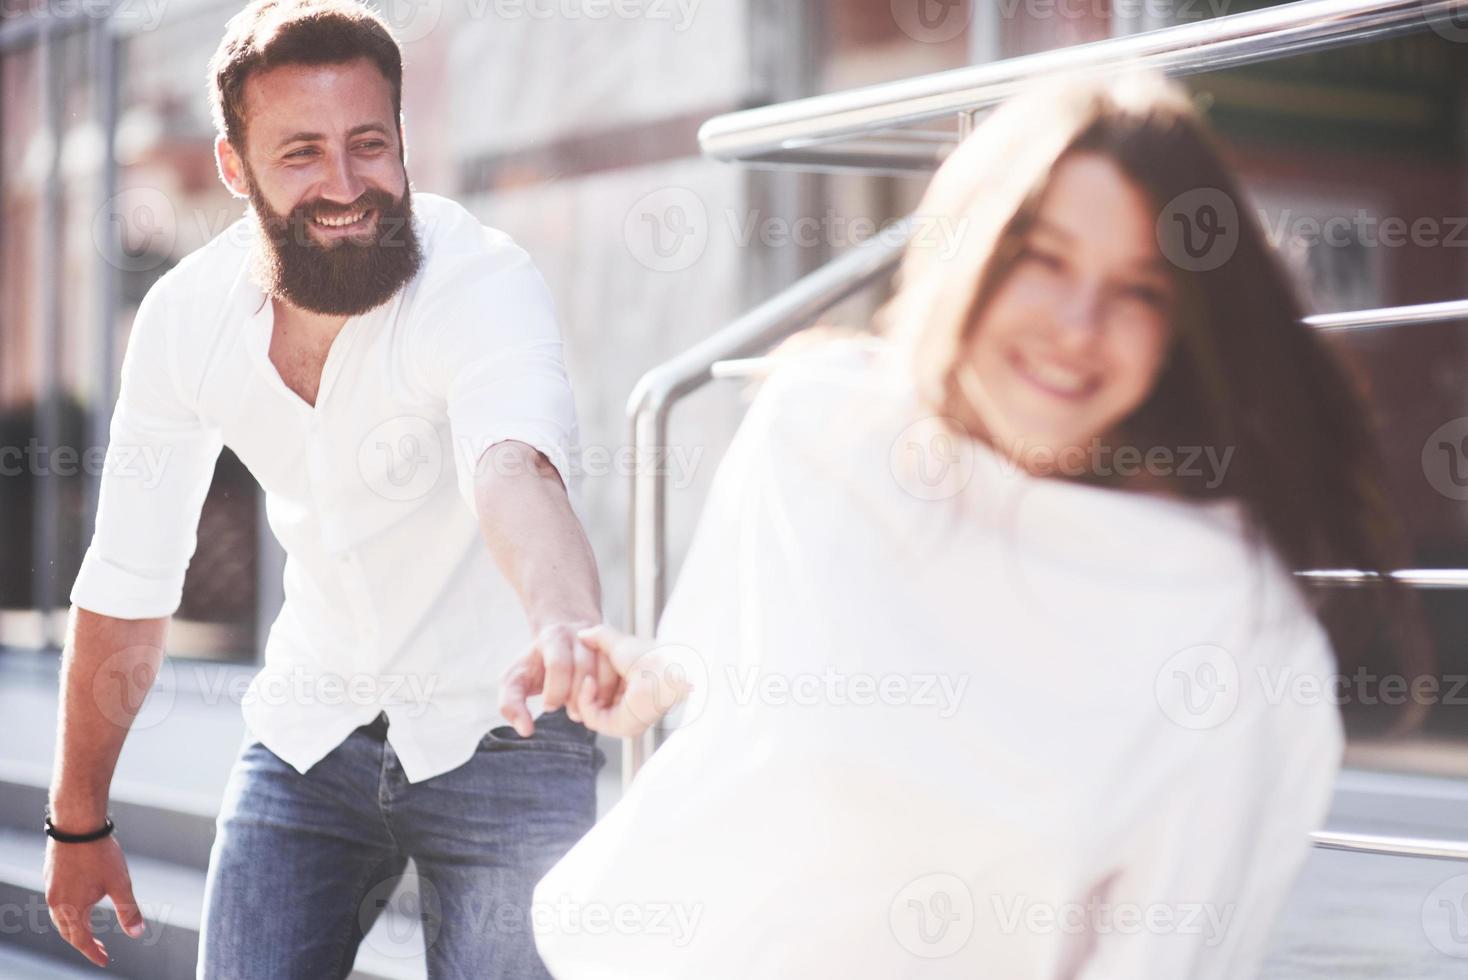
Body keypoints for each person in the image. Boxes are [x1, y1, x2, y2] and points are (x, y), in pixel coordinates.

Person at [529, 70, 1426, 978]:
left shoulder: (1225, 616)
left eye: (1140, 290)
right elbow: (750, 691)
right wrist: (660, 672)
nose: (1078, 324)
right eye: (1043, 257)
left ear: (1182, 331)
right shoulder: (820, 431)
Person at [43, 2, 612, 977]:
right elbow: (130, 578)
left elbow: (512, 467)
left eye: (368, 143)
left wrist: (563, 621)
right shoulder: (186, 321)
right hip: (312, 723)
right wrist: (77, 819)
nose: (345, 184)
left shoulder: (479, 280)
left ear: (403, 140)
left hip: (506, 723)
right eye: (300, 152)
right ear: (234, 167)